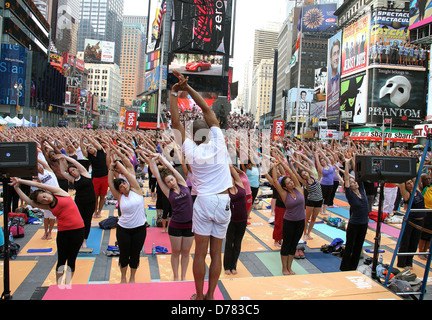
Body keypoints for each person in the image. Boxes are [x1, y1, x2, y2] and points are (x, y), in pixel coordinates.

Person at [170, 70, 232, 300]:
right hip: (224, 200)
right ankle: (211, 295)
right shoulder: (218, 140)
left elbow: (176, 122)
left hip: (204, 201)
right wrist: (188, 88)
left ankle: (197, 295)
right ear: (209, 130)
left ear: (194, 136)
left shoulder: (191, 150)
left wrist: (175, 93)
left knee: (199, 254)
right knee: (217, 254)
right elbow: (207, 109)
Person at [10, 177, 84, 286]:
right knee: (61, 260)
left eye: (44, 196)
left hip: (78, 230)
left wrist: (20, 181)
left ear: (46, 192)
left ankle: (68, 284)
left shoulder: (60, 193)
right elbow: (30, 202)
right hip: (63, 232)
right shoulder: (49, 206)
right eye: (42, 200)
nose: (45, 199)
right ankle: (59, 286)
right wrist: (17, 188)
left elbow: (40, 185)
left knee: (72, 260)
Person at [145, 151, 194, 281]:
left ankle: (183, 276)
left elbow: (171, 168)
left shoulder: (183, 183)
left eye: (171, 180)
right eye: (168, 182)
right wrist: (152, 161)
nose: (171, 183)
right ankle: (176, 276)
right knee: (176, 252)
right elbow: (156, 174)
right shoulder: (168, 192)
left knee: (186, 252)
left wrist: (160, 157)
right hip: (176, 225)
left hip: (190, 224)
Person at [108, 160, 147, 283]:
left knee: (135, 254)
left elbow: (126, 172)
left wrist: (117, 162)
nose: (124, 186)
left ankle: (132, 278)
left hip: (139, 229)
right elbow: (110, 183)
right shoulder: (119, 197)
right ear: (118, 190)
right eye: (120, 186)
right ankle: (123, 277)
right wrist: (110, 168)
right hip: (123, 229)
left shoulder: (136, 190)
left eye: (124, 183)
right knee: (124, 254)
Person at [272, 160, 306, 275]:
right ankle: (284, 268)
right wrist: (275, 168)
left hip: (301, 221)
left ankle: (290, 267)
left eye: (291, 181)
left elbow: (292, 174)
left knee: (293, 245)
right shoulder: (284, 194)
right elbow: (276, 181)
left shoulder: (299, 189)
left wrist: (283, 164)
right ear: (285, 187)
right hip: (289, 222)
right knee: (286, 244)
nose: (291, 183)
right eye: (288, 183)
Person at [58, 154, 96, 249]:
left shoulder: (85, 174)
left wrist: (65, 157)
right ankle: (78, 239)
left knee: (87, 221)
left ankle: (84, 241)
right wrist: (60, 160)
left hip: (90, 201)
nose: (73, 173)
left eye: (74, 170)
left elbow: (75, 162)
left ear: (77, 169)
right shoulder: (73, 180)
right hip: (79, 202)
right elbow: (62, 172)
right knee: (79, 221)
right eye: (71, 172)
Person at [339, 158, 369, 271]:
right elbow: (346, 178)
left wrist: (354, 162)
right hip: (354, 225)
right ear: (349, 186)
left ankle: (353, 267)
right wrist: (346, 163)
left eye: (354, 181)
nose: (354, 183)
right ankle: (345, 268)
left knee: (358, 247)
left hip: (364, 224)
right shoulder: (350, 195)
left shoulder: (361, 190)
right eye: (352, 183)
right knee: (350, 247)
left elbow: (358, 175)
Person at [396, 178, 426, 270]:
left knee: (414, 242)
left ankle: (409, 262)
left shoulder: (417, 189)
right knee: (405, 242)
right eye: (408, 183)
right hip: (410, 221)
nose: (411, 184)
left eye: (411, 182)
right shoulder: (407, 194)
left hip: (420, 221)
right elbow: (401, 184)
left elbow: (416, 176)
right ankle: (402, 263)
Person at [224, 165, 248, 275]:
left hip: (242, 220)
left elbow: (233, 170)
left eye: (231, 178)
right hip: (231, 221)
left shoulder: (239, 184)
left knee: (238, 244)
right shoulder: (225, 190)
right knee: (229, 243)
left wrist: (228, 164)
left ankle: (234, 265)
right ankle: (227, 266)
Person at [81, 134, 109, 218]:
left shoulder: (100, 151)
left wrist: (88, 136)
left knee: (103, 196)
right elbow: (82, 150)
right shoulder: (89, 156)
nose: (90, 149)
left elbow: (95, 143)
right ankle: (95, 211)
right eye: (89, 149)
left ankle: (99, 211)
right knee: (95, 196)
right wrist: (81, 141)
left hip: (105, 177)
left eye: (91, 147)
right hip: (96, 178)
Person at [35, 160, 59, 240]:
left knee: (52, 216)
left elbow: (44, 163)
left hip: (55, 195)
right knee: (46, 216)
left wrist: (37, 159)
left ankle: (50, 232)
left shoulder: (48, 170)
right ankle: (45, 232)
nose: (38, 167)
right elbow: (39, 186)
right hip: (46, 197)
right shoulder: (38, 176)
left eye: (38, 165)